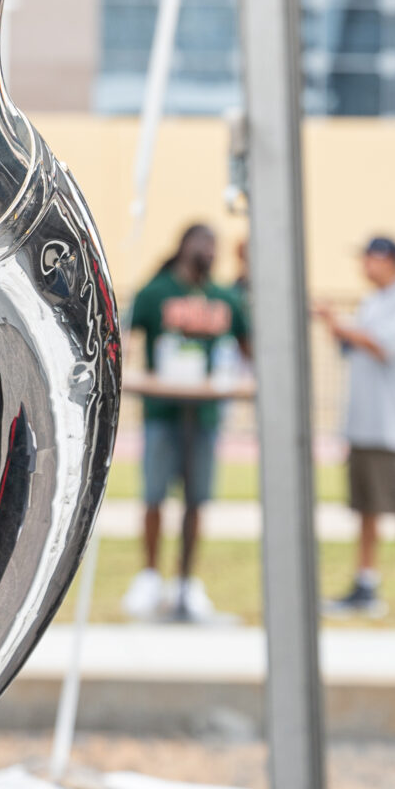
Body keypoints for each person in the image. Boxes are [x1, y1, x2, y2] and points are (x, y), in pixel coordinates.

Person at [124, 222, 249, 624]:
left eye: (215, 245)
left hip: (205, 416)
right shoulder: (156, 292)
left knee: (196, 500)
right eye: (203, 243)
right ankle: (149, 576)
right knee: (155, 495)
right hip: (163, 414)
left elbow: (250, 346)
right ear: (183, 246)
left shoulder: (223, 297)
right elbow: (123, 339)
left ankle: (186, 581)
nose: (209, 252)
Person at [316, 235, 395, 623]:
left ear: (388, 260)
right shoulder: (371, 302)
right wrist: (336, 328)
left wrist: (339, 324)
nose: (364, 266)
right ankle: (365, 585)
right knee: (365, 508)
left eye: (369, 258)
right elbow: (353, 347)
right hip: (364, 426)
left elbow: (384, 346)